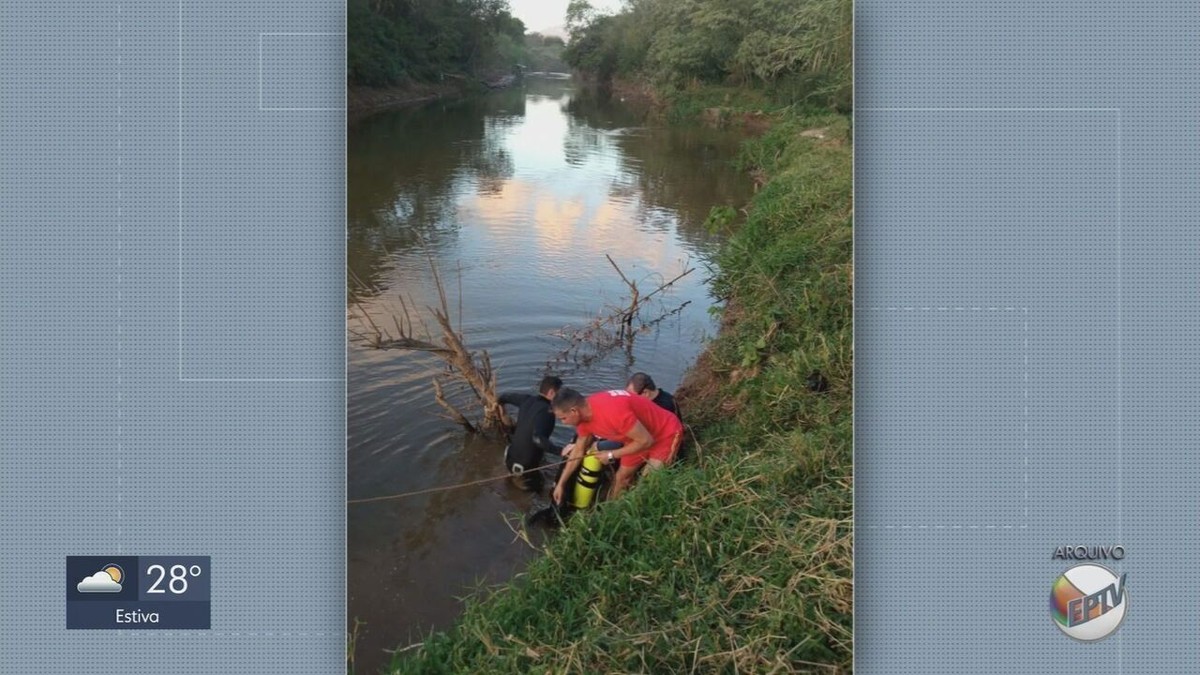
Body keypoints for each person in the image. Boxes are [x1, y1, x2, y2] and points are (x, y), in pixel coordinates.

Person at [550, 387, 683, 503]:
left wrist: (611, 454)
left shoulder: (613, 413)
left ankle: (636, 515)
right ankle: (611, 511)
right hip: (635, 438)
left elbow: (646, 441)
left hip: (665, 434)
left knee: (647, 483)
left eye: (563, 418)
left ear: (574, 411)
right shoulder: (584, 420)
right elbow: (578, 451)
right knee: (622, 478)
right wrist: (561, 484)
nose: (563, 423)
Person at [497, 376, 562, 492]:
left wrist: (500, 406)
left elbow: (504, 397)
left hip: (510, 459)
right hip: (525, 467)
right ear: (552, 392)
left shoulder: (526, 400)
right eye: (560, 394)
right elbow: (538, 439)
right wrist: (561, 451)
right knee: (537, 492)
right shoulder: (547, 411)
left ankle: (510, 483)